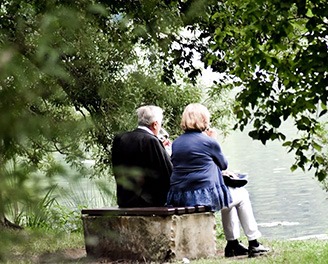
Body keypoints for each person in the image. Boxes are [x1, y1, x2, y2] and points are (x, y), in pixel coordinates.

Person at [166, 103, 270, 258]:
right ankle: (254, 242)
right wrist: (214, 140)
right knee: (241, 195)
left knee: (229, 199)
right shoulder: (208, 141)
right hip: (201, 197)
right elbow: (223, 164)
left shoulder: (177, 143)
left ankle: (233, 244)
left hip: (180, 196)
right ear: (204, 119)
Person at [111, 105, 173, 207]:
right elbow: (166, 172)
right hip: (148, 202)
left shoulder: (120, 138)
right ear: (155, 125)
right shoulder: (151, 141)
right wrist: (167, 152)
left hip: (124, 200)